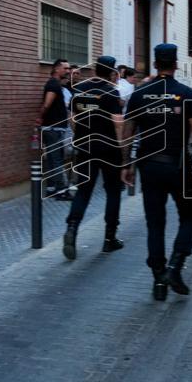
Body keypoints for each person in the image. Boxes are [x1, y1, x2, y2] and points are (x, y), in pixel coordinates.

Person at [122, 44, 192, 301]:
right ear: (175, 64)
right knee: (190, 217)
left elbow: (127, 134)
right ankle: (174, 267)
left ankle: (158, 281)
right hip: (177, 167)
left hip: (149, 167)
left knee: (155, 223)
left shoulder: (139, 94)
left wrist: (126, 166)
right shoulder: (187, 94)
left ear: (155, 64)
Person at [62, 56, 125, 260]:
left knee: (83, 190)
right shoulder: (111, 92)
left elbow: (71, 118)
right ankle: (109, 239)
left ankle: (72, 229)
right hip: (109, 149)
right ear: (111, 72)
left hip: (85, 148)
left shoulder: (79, 90)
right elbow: (118, 123)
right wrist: (122, 148)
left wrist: (80, 134)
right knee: (113, 191)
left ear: (96, 69)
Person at [38, 58, 73, 201]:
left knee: (53, 160)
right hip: (53, 129)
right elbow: (47, 104)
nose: (68, 71)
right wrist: (39, 119)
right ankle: (61, 191)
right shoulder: (53, 84)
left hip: (55, 128)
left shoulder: (56, 84)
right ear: (57, 69)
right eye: (65, 68)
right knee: (56, 160)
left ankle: (51, 188)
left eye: (69, 68)